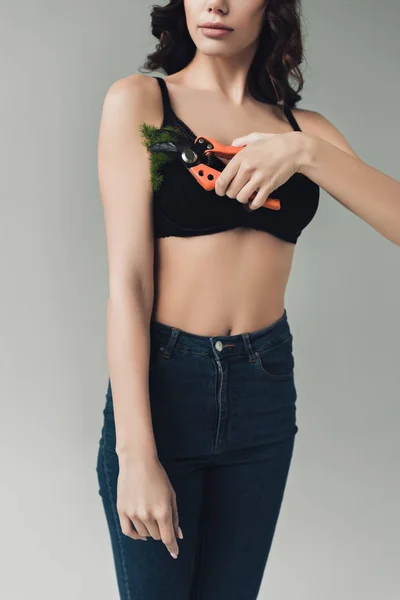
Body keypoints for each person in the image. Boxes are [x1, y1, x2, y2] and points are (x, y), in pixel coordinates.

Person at [95, 1, 400, 598]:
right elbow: (128, 285)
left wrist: (308, 154)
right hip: (164, 386)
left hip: (263, 388)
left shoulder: (303, 131)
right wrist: (135, 453)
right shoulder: (141, 103)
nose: (215, 3)